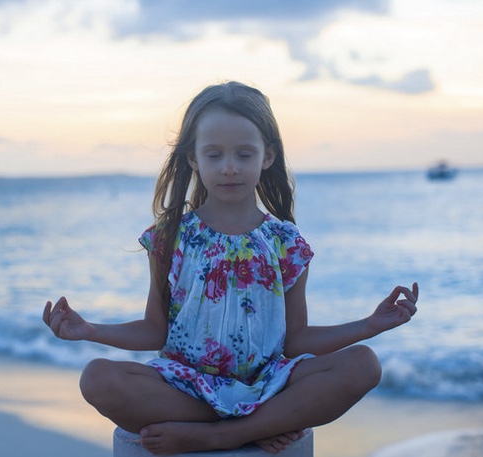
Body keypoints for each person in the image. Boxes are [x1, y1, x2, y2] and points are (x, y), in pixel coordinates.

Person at [42, 81, 419, 455]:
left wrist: (370, 325)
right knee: (98, 379)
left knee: (363, 366)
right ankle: (254, 426)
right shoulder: (171, 236)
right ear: (193, 158)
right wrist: (90, 329)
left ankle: (222, 435)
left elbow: (296, 341)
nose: (229, 168)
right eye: (214, 155)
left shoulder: (286, 243)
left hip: (269, 384)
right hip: (185, 386)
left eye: (243, 154)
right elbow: (154, 331)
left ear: (267, 156)